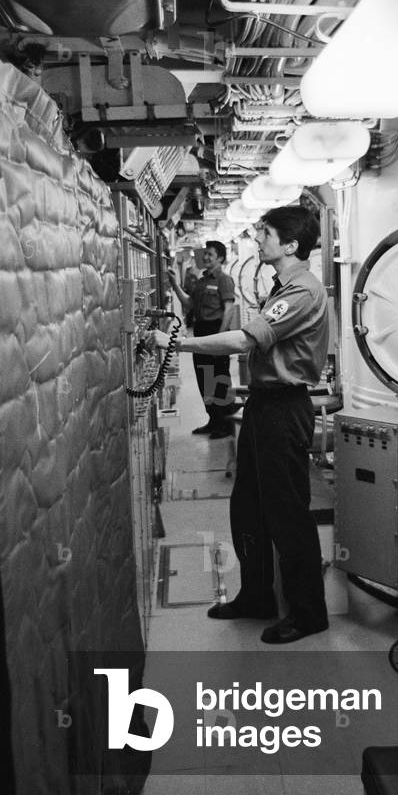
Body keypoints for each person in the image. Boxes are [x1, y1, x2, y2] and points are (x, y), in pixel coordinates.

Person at [151, 206, 329, 645]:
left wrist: (175, 343)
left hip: (284, 410)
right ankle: (256, 596)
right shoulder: (281, 287)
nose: (258, 239)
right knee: (248, 507)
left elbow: (244, 340)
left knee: (288, 514)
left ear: (290, 245)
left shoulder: (302, 292)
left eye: (266, 233)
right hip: (264, 407)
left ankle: (309, 614)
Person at [168, 240, 236, 439]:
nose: (205, 257)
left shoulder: (224, 280)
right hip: (201, 332)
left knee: (220, 380)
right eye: (205, 254)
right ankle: (213, 420)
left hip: (216, 332)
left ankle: (226, 425)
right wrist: (173, 284)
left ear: (220, 258)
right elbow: (188, 303)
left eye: (210, 255)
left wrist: (221, 339)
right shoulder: (202, 280)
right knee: (204, 379)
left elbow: (229, 310)